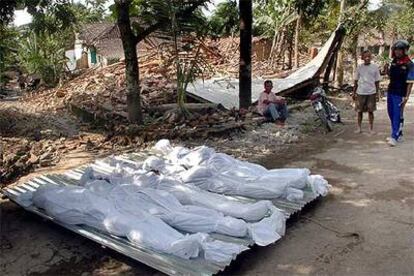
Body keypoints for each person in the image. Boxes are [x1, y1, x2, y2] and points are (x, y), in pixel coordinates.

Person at [384, 40, 414, 146]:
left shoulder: (409, 64)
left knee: (397, 113)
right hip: (391, 90)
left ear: (404, 51)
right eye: (396, 50)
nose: (397, 52)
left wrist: (406, 96)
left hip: (400, 92)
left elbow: (410, 83)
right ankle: (399, 133)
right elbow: (391, 76)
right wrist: (386, 70)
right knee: (391, 112)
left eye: (399, 50)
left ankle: (394, 136)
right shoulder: (394, 61)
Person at [352, 50, 381, 134]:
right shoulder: (359, 67)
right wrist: (354, 92)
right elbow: (356, 81)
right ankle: (359, 128)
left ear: (371, 57)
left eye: (369, 56)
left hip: (371, 92)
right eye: (365, 57)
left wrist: (377, 93)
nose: (367, 58)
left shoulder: (375, 67)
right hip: (360, 92)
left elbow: (377, 81)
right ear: (362, 58)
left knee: (370, 111)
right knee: (359, 111)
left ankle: (371, 129)